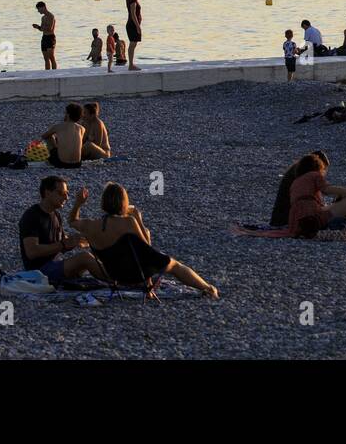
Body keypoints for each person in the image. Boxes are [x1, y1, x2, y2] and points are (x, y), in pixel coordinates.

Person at [68, 183, 218, 298]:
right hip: (136, 274)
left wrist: (78, 204)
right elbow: (146, 248)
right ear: (123, 203)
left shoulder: (90, 225)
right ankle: (208, 288)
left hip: (113, 274)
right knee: (175, 265)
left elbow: (72, 221)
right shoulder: (128, 222)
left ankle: (149, 285)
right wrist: (138, 219)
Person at [18, 176, 105, 285]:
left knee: (94, 254)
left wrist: (80, 241)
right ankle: (119, 281)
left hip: (55, 265)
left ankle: (114, 278)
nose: (66, 197)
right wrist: (63, 244)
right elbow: (32, 252)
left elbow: (63, 243)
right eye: (61, 193)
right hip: (39, 272)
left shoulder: (56, 215)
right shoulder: (32, 216)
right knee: (84, 258)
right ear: (47, 193)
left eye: (67, 193)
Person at [286, 152, 346, 237]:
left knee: (335, 204)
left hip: (296, 222)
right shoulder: (314, 175)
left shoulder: (296, 181)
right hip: (311, 219)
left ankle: (344, 223)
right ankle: (344, 225)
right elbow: (326, 190)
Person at [270, 150, 330, 226]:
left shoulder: (299, 169)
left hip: (279, 218)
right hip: (287, 218)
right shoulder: (306, 175)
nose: (323, 172)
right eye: (323, 168)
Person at [41, 102, 104, 168]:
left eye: (65, 113)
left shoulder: (58, 126)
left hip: (61, 163)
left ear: (68, 115)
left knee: (49, 137)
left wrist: (56, 139)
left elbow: (44, 136)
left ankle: (52, 159)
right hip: (77, 164)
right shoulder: (82, 128)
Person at [33, 2, 57, 69]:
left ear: (43, 7)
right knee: (46, 58)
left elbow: (50, 29)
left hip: (50, 38)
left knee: (51, 57)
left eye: (39, 9)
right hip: (44, 38)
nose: (38, 11)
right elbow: (42, 29)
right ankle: (47, 73)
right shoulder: (43, 18)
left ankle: (54, 72)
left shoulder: (51, 16)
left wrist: (40, 27)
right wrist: (37, 27)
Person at [125, 0, 143, 71]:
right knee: (132, 44)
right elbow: (133, 14)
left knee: (133, 44)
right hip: (132, 25)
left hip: (132, 24)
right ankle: (131, 65)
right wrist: (137, 26)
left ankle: (131, 64)